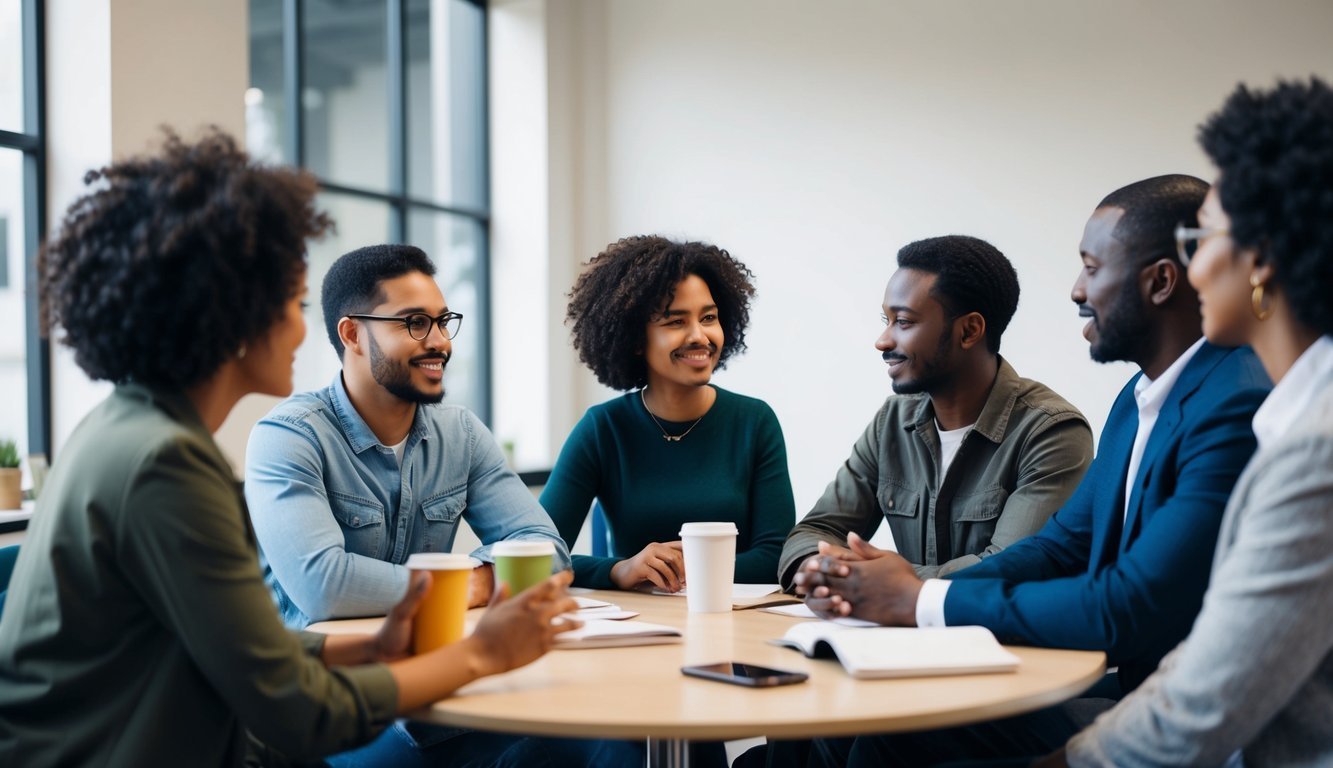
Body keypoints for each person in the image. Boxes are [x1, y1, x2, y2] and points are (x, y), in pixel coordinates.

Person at [0, 131, 579, 767]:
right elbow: (297, 710)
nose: (305, 327)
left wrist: (365, 646)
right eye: (293, 302)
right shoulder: (166, 463)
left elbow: (238, 646)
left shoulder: (130, 429)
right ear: (234, 314)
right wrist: (481, 653)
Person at [780, 175, 1272, 766]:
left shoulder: (1233, 401)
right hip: (1145, 687)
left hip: (1195, 719)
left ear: (1160, 281)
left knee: (889, 741)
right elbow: (1062, 547)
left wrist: (917, 602)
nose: (1074, 290)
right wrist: (902, 590)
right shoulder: (1137, 400)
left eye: (1091, 267)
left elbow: (1129, 605)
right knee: (844, 731)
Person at [1040, 77, 1333, 768]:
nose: (1192, 268)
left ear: (1259, 261)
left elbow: (1200, 711)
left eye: (1204, 240)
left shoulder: (1313, 449)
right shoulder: (1293, 422)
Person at [245, 244, 571, 629]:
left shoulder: (461, 434)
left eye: (443, 321)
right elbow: (324, 585)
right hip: (321, 677)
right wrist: (472, 583)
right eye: (415, 323)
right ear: (352, 334)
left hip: (433, 658)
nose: (440, 342)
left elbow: (549, 552)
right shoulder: (290, 437)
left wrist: (463, 583)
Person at [779, 235, 1092, 590]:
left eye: (904, 322)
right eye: (887, 319)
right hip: (893, 640)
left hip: (1000, 644)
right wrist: (825, 570)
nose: (882, 340)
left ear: (969, 330)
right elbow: (813, 532)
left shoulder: (1052, 431)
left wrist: (880, 580)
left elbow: (1011, 571)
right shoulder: (892, 422)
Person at [540, 235, 796, 592]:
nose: (699, 336)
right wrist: (622, 569)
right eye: (676, 322)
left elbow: (776, 556)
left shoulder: (755, 422)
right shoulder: (603, 428)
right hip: (638, 624)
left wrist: (683, 567)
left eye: (709, 317)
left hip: (736, 622)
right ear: (634, 338)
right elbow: (539, 555)